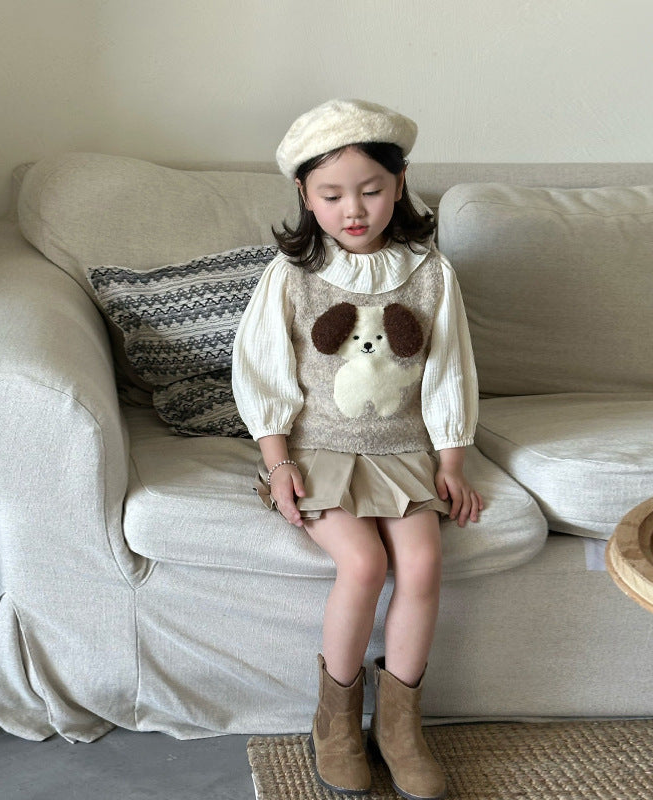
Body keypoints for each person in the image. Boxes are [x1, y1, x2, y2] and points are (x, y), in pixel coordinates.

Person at [232, 99, 483, 799]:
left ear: (398, 185)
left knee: (423, 563)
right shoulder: (291, 274)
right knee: (365, 563)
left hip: (403, 451)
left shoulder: (430, 272)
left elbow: (449, 371)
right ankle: (337, 723)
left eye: (371, 190)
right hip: (318, 450)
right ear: (304, 195)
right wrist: (279, 463)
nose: (353, 209)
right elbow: (262, 374)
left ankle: (400, 729)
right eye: (332, 194)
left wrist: (452, 462)